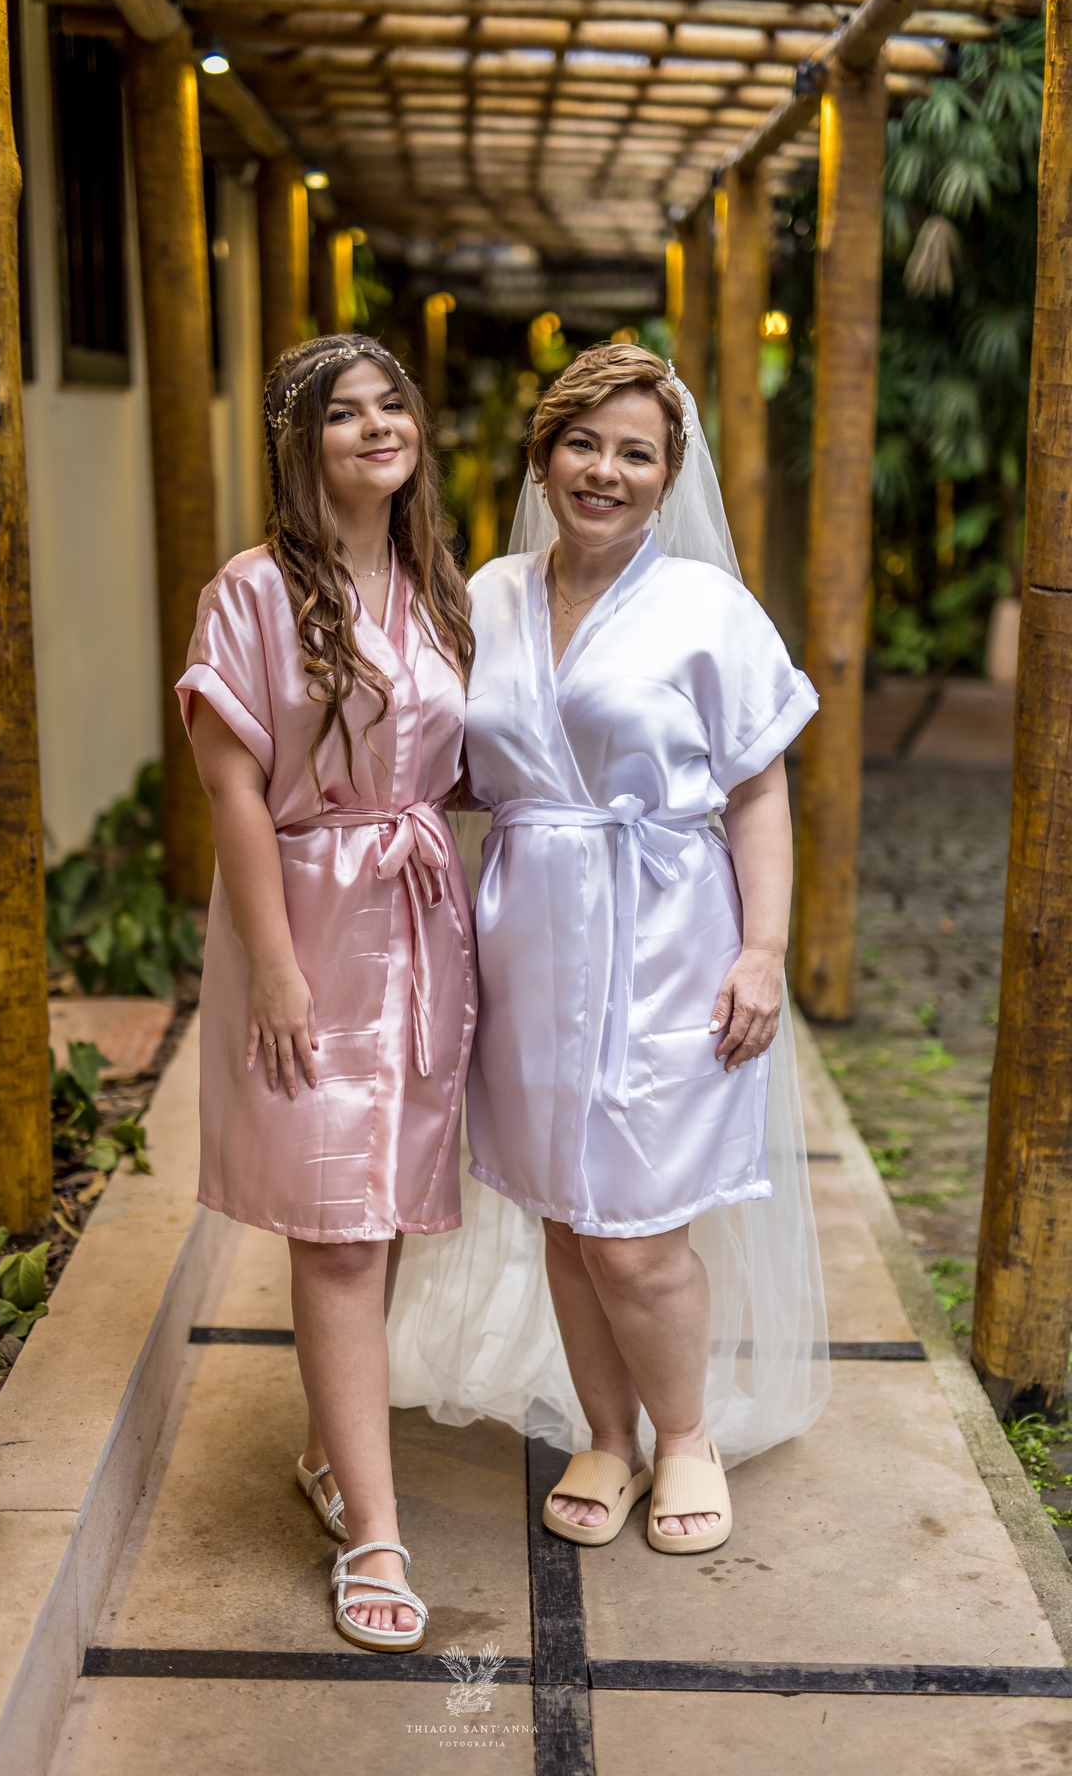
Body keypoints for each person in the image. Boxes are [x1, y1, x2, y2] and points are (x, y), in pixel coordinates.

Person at [388, 342, 828, 1553]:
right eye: (583, 443)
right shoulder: (484, 598)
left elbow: (758, 788)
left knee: (636, 1235)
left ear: (668, 474)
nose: (606, 470)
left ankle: (685, 1435)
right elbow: (455, 761)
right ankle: (609, 1435)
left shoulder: (707, 609)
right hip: (527, 939)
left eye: (637, 452)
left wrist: (764, 949)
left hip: (669, 940)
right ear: (543, 458)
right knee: (566, 1222)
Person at [176, 334, 476, 1651]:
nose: (376, 427)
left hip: (420, 921)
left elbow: (458, 768)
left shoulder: (434, 584)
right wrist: (278, 969)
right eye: (345, 413)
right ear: (301, 446)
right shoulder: (247, 593)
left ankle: (327, 1450)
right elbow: (232, 788)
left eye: (391, 405)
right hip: (308, 919)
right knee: (339, 1230)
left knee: (386, 1208)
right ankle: (376, 1532)